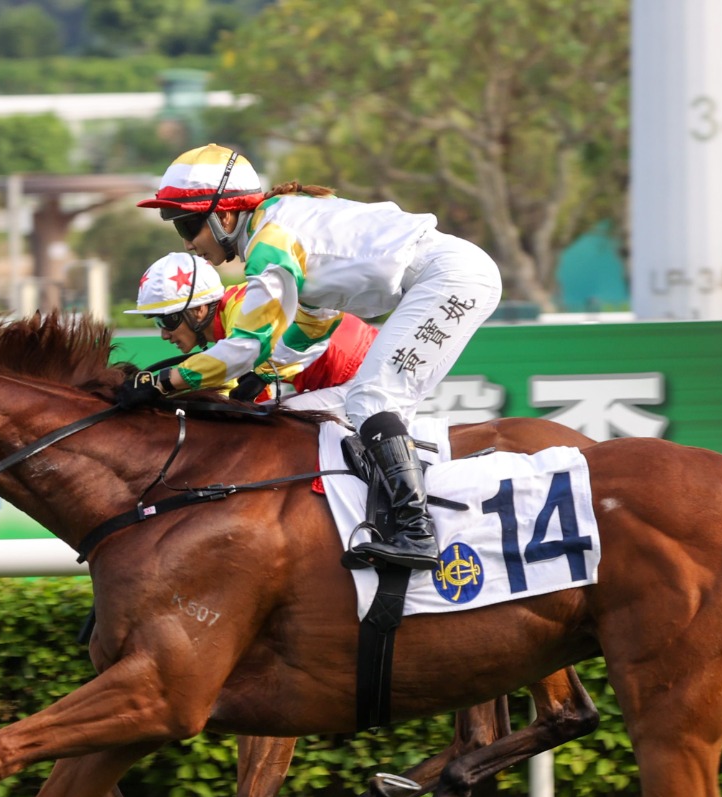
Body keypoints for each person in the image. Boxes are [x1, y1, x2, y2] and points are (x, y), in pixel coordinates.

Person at [122, 144, 503, 571]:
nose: (189, 243)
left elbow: (248, 343)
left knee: (373, 400)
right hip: (447, 276)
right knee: (368, 401)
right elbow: (313, 326)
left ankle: (416, 531)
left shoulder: (270, 242)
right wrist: (263, 374)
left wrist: (166, 381)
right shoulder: (279, 222)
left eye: (189, 226)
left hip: (449, 277)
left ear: (224, 215)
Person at [122, 251, 376, 402]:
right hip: (350, 373)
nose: (164, 334)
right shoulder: (232, 314)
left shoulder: (241, 316)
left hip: (359, 376)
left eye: (168, 321)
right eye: (157, 322)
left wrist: (161, 385)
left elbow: (236, 383)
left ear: (198, 310)